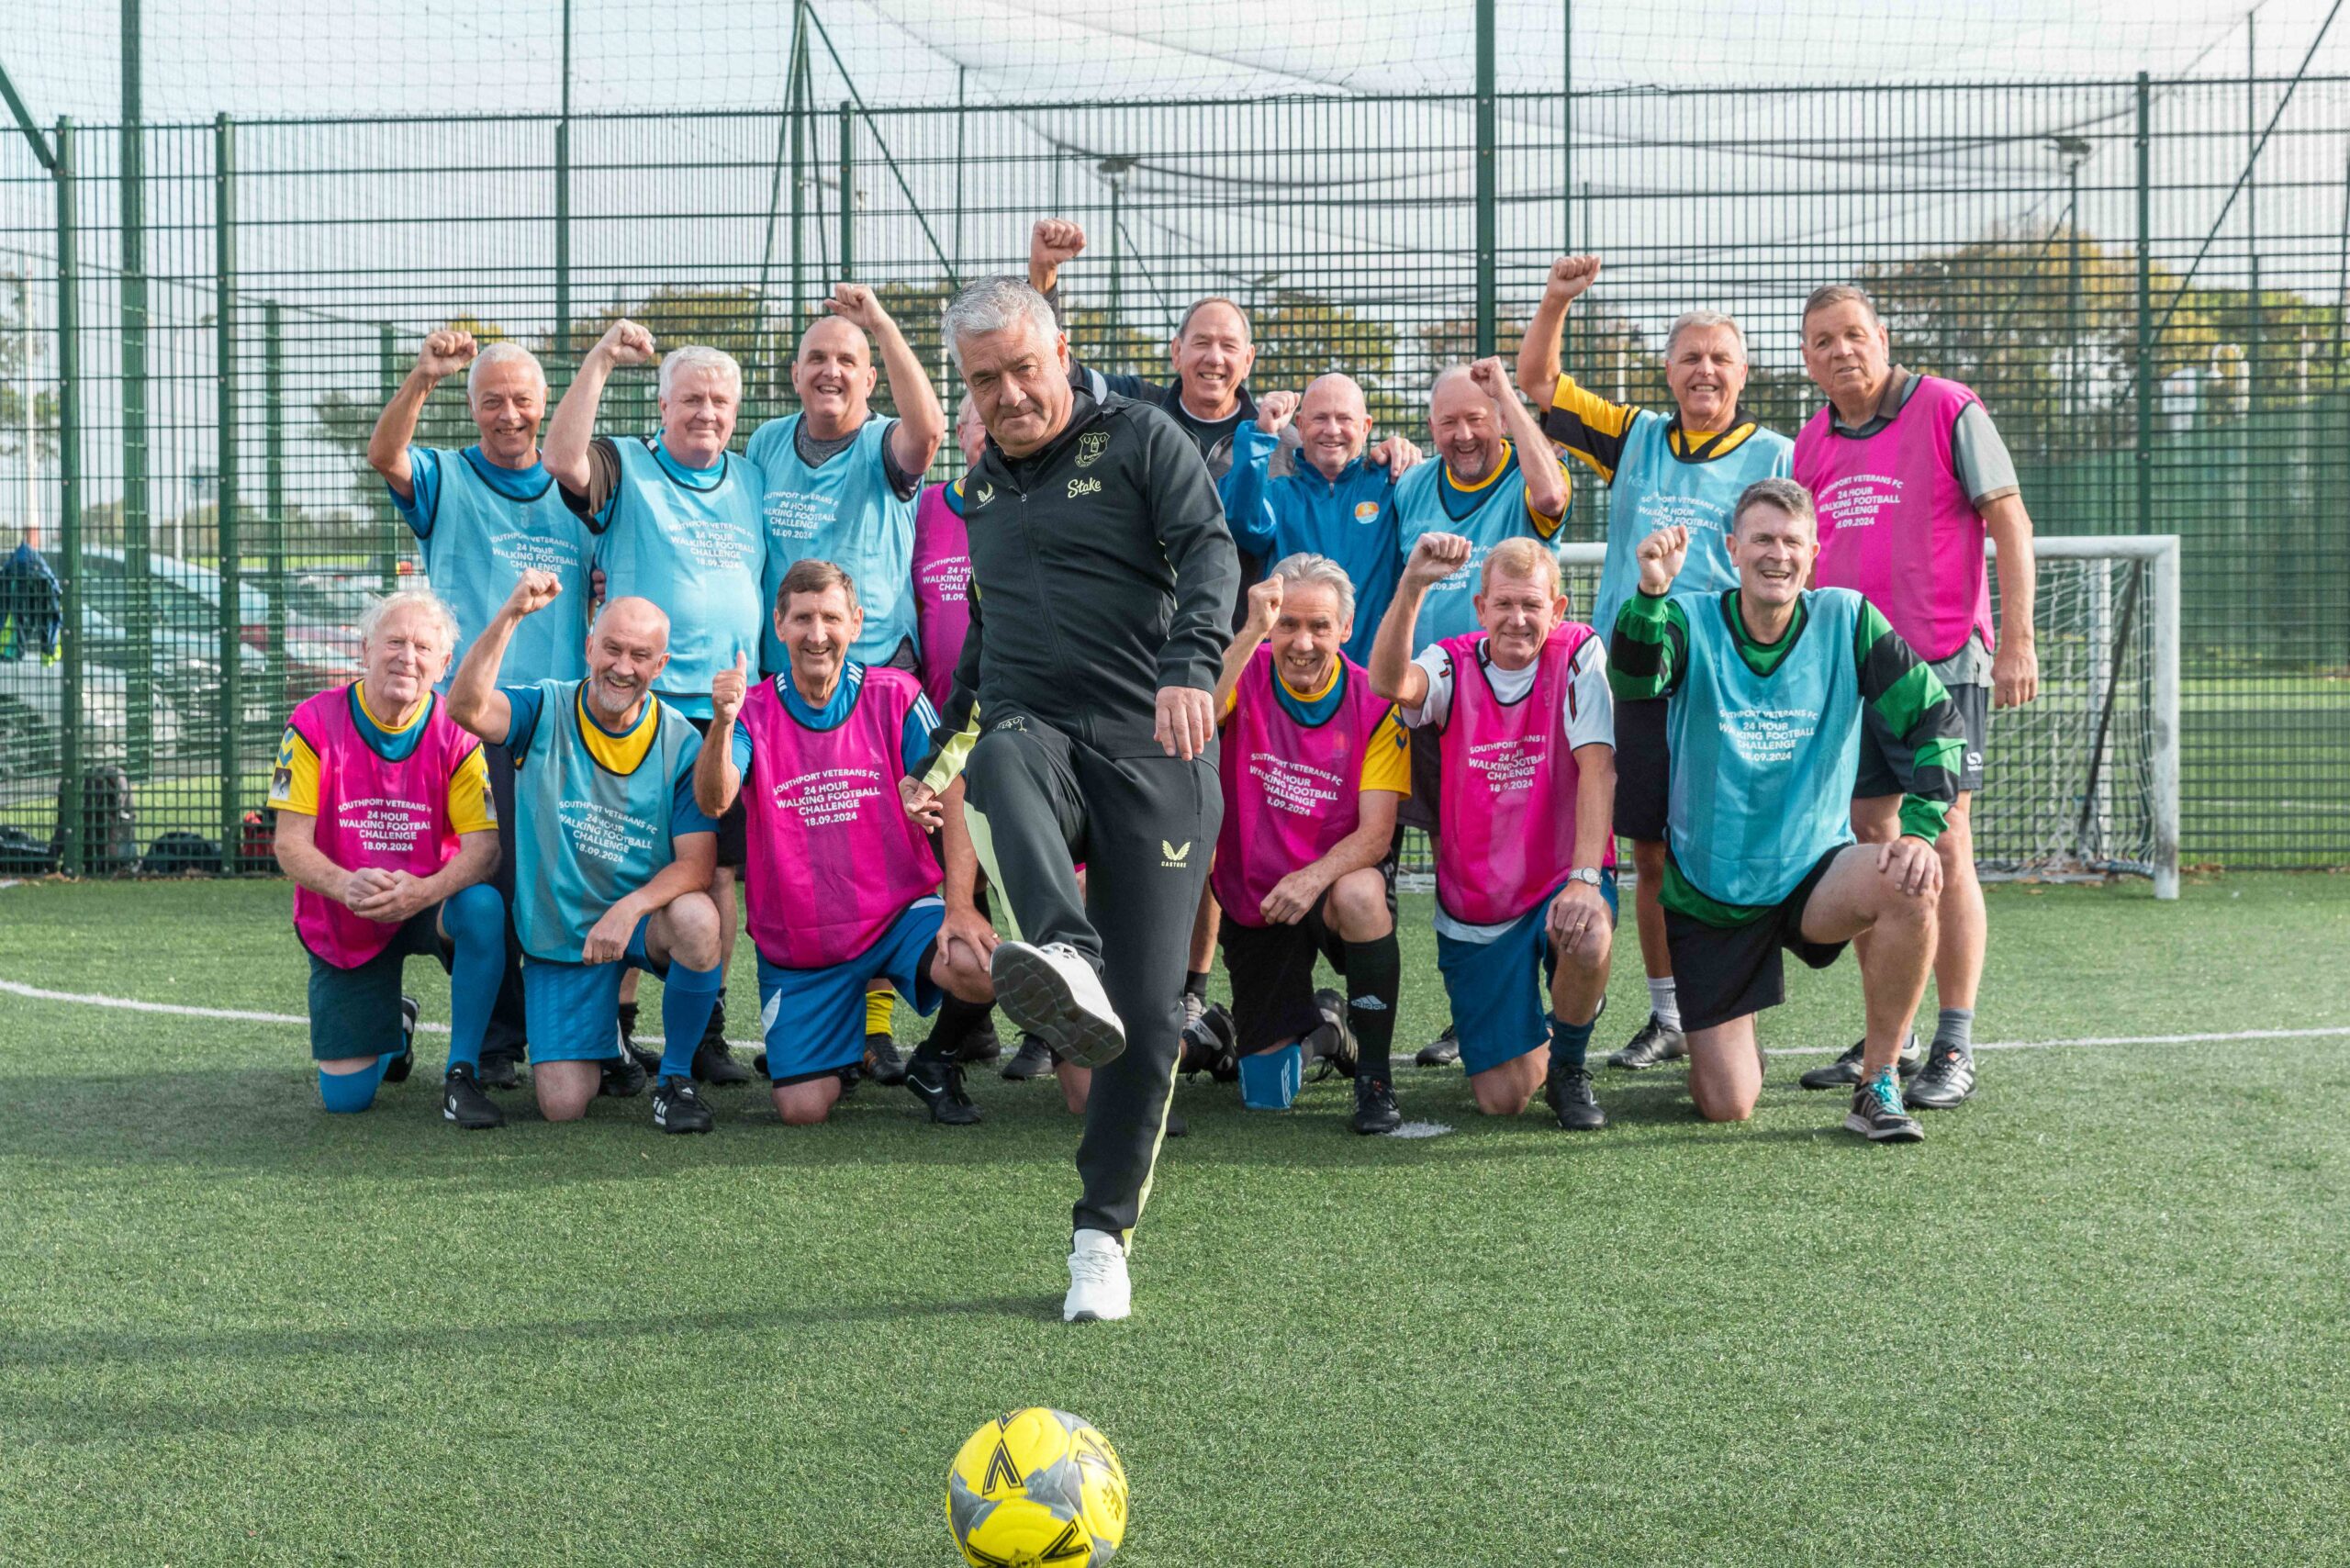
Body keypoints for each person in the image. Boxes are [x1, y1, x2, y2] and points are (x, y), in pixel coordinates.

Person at [905, 274, 1237, 1323]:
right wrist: (942, 739)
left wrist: (1191, 662)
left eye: (1022, 369)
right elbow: (993, 633)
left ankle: (1101, 1235)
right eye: (984, 380)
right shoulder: (980, 490)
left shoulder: (1140, 437)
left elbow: (1210, 551)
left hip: (1156, 748)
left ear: (1061, 354)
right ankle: (1063, 947)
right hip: (1037, 735)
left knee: (1145, 1027)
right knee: (997, 756)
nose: (1007, 394)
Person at [1607, 479, 1964, 1140]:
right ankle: (1734, 1042)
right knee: (1727, 1104)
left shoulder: (1848, 619)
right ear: (1733, 549)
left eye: (1792, 542)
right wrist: (1651, 591)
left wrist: (1917, 832)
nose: (1778, 555)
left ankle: (1878, 1080)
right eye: (1763, 540)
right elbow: (1633, 678)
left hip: (1812, 873)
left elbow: (1939, 722)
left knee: (1911, 881)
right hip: (1713, 892)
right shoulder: (1687, 618)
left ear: (1813, 553)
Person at [1516, 255, 1794, 1074]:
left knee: (1732, 852)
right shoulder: (1636, 433)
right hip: (1632, 676)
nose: (1704, 370)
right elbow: (1538, 379)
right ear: (1668, 371)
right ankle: (1669, 1012)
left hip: (1727, 682)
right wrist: (1557, 298)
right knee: (1648, 854)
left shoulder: (1778, 455)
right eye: (1690, 357)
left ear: (1745, 372)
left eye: (1720, 358)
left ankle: (1733, 1007)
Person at [1794, 284, 2040, 1109]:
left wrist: (2016, 642)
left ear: (1883, 337)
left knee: (1947, 842)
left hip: (1941, 667)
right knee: (1875, 845)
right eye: (1822, 342)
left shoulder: (1947, 407)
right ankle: (1886, 1039)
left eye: (1854, 335)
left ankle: (1955, 1041)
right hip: (1853, 676)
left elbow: (2009, 521)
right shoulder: (1811, 443)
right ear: (1807, 359)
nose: (1841, 352)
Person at [694, 559, 996, 1126]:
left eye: (831, 618)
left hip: (896, 917)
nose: (817, 634)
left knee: (980, 963)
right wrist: (722, 724)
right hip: (802, 944)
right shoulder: (753, 711)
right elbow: (715, 800)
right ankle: (840, 1045)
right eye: (802, 618)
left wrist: (960, 906)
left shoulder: (896, 694)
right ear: (778, 625)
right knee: (802, 1110)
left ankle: (936, 1060)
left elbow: (954, 786)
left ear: (856, 623)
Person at [367, 329, 588, 1091]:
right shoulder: (447, 477)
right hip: (463, 725)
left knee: (554, 883)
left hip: (556, 726)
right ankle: (490, 1042)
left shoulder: (577, 490)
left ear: (544, 406)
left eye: (522, 399)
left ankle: (582, 1037)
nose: (508, 414)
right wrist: (423, 377)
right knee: (479, 886)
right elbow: (385, 456)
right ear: (472, 409)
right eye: (491, 400)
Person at [544, 319, 763, 1085]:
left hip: (729, 711)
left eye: (721, 403)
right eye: (692, 399)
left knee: (720, 875)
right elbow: (561, 459)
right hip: (643, 706)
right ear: (662, 406)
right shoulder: (626, 464)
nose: (707, 413)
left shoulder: (751, 475)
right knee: (625, 863)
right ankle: (615, 1033)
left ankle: (705, 1032)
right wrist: (602, 358)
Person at [745, 285, 949, 1085]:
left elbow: (930, 430)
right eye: (819, 358)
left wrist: (882, 324)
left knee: (887, 844)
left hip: (877, 670)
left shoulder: (883, 446)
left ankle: (884, 1026)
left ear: (870, 378)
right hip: (787, 674)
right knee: (811, 849)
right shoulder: (763, 444)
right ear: (795, 373)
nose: (832, 371)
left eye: (849, 361)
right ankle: (811, 1016)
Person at [447, 573, 730, 1134]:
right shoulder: (544, 708)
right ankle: (612, 1049)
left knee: (700, 921)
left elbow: (696, 866)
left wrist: (627, 912)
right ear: (589, 647)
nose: (623, 667)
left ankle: (674, 1080)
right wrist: (511, 615)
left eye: (640, 655)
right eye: (613, 648)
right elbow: (465, 707)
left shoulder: (681, 742)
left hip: (641, 924)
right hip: (566, 940)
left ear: (661, 665)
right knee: (562, 1105)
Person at [1369, 533, 1616, 1129]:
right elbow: (1389, 683)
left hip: (1558, 877)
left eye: (1532, 605)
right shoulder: (1451, 661)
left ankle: (1570, 1066)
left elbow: (1598, 768)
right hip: (1479, 900)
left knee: (1586, 934)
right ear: (1480, 609)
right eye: (1503, 604)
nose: (1518, 618)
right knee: (1501, 1098)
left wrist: (1584, 881)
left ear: (1557, 611)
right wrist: (1413, 584)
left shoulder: (1579, 652)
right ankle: (1560, 1011)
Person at [1391, 357, 1574, 1070]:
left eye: (1477, 418)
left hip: (1521, 706)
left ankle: (1553, 1006)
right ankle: (1473, 1013)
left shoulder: (1523, 474)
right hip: (1438, 702)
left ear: (1499, 418)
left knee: (1533, 852)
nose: (1463, 434)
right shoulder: (1411, 485)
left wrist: (1505, 392)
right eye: (1447, 423)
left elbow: (1554, 490)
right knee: (1454, 858)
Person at [270, 591, 508, 1126]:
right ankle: (394, 1026)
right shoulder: (310, 723)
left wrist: (423, 892)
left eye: (424, 647)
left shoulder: (458, 731)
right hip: (347, 907)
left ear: (445, 665)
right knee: (346, 1101)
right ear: (364, 650)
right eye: (395, 642)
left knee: (484, 907)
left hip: (428, 901)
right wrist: (344, 884)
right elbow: (289, 843)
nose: (408, 657)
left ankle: (462, 1073)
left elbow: (483, 848)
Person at [1210, 554, 1410, 1135]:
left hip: (1325, 888)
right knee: (1266, 1096)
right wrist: (1248, 630)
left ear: (1345, 630)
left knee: (1363, 892)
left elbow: (1376, 836)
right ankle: (1326, 1031)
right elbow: (1197, 717)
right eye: (1286, 624)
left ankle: (1375, 1080)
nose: (1302, 642)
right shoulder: (1243, 670)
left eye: (1319, 626)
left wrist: (1311, 877)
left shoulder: (1375, 701)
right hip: (1258, 894)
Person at [1248, 374, 1422, 666]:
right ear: (1300, 426)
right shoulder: (1277, 496)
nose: (1332, 430)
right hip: (1294, 675)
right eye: (1320, 418)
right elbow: (1243, 522)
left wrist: (1411, 456)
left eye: (1344, 419)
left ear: (1366, 427)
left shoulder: (1393, 487)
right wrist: (1261, 436)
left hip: (1377, 681)